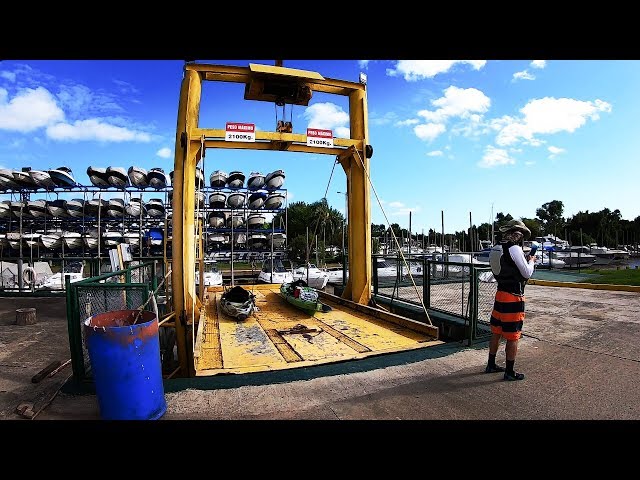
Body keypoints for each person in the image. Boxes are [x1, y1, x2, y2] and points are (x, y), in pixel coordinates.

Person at [484, 219, 536, 381]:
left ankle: (491, 364)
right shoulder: (513, 249)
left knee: (496, 332)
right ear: (516, 234)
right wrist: (531, 261)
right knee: (513, 336)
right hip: (513, 297)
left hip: (500, 294)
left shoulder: (496, 248)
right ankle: (509, 371)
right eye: (520, 234)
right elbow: (527, 273)